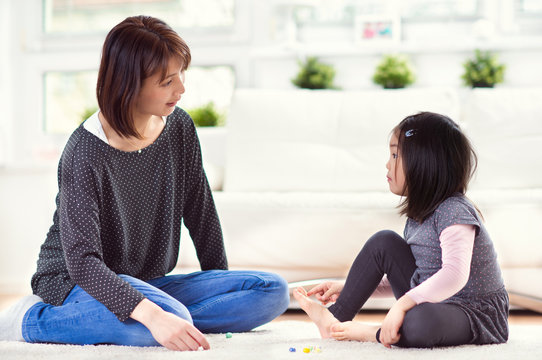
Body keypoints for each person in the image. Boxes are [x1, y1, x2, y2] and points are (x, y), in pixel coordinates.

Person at [0, 15, 289, 351]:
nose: (181, 89)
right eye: (167, 81)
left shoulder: (178, 126)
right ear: (128, 84)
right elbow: (82, 262)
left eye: (181, 75)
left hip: (149, 281)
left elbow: (201, 213)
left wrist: (218, 282)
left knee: (272, 291)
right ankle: (30, 321)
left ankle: (164, 318)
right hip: (79, 281)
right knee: (153, 326)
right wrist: (153, 315)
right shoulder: (85, 151)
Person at [293, 112, 509, 348]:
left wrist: (403, 304)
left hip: (472, 312)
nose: (387, 163)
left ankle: (373, 333)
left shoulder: (454, 211)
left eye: (395, 154)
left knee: (420, 322)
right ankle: (335, 320)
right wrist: (349, 286)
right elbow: (421, 277)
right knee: (383, 242)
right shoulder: (419, 215)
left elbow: (454, 275)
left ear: (424, 163)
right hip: (435, 302)